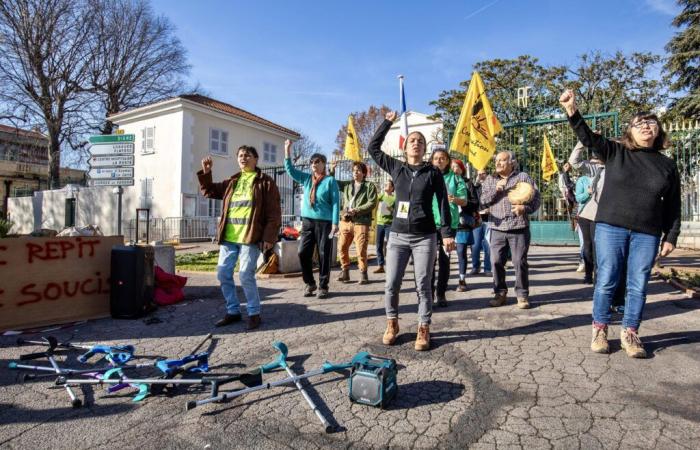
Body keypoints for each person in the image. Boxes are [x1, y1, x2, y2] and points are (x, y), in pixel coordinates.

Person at [560, 89, 681, 359]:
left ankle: (630, 332)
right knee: (607, 279)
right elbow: (587, 138)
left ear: (658, 130)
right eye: (639, 123)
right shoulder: (616, 152)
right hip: (611, 227)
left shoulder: (667, 165)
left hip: (647, 233)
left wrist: (671, 236)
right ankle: (600, 328)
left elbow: (673, 205)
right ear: (630, 132)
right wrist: (571, 109)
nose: (646, 126)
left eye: (651, 122)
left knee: (638, 283)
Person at [368, 111, 455, 351]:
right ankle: (392, 323)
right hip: (397, 237)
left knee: (423, 285)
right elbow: (373, 148)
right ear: (405, 148)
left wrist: (447, 233)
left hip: (425, 237)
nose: (416, 142)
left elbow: (443, 203)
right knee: (391, 283)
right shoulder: (396, 168)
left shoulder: (433, 173)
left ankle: (423, 327)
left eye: (420, 141)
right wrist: (387, 122)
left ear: (424, 149)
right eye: (412, 140)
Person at [197, 146, 281, 329]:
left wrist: (268, 237)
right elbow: (209, 191)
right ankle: (233, 311)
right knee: (223, 273)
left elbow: (274, 213)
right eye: (241, 156)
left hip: (250, 238)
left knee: (245, 275)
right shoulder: (232, 181)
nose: (243, 158)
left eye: (247, 155)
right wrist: (207, 172)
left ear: (256, 159)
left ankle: (254, 313)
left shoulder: (265, 182)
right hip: (229, 238)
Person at [480, 151, 541, 309]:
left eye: (502, 160)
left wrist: (525, 208)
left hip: (518, 227)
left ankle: (522, 295)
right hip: (497, 227)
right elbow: (483, 201)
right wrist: (496, 190)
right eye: (497, 160)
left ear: (512, 162)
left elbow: (537, 199)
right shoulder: (491, 179)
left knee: (519, 262)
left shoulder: (523, 177)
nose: (498, 163)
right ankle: (500, 293)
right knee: (495, 262)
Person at [570, 142, 627, 311]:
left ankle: (618, 300)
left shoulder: (628, 166)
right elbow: (574, 161)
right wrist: (582, 142)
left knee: (619, 261)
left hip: (620, 218)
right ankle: (602, 299)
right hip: (595, 217)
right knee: (599, 258)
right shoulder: (599, 168)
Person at [284, 140, 340, 299]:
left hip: (326, 224)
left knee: (324, 254)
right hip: (308, 222)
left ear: (323, 164)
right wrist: (287, 150)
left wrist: (335, 222)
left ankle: (323, 286)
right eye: (311, 162)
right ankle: (310, 283)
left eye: (317, 162)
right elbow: (290, 171)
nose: (314, 164)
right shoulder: (307, 179)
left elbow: (336, 202)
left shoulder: (330, 181)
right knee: (303, 252)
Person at [330, 160, 378, 284]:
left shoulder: (369, 186)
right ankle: (345, 272)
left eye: (358, 170)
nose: (355, 173)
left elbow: (372, 202)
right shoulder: (347, 185)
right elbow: (332, 183)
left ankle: (363, 274)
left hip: (361, 222)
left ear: (364, 173)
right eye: (354, 170)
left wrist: (357, 210)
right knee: (342, 247)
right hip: (345, 221)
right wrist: (332, 170)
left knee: (361, 249)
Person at [430, 149, 467, 306]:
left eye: (443, 158)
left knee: (444, 260)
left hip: (449, 225)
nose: (439, 161)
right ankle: (429, 294)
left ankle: (441, 293)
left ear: (447, 161)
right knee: (429, 261)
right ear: (432, 161)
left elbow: (464, 201)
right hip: (429, 224)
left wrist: (455, 199)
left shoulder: (456, 179)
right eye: (436, 158)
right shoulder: (427, 177)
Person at [451, 159, 474, 292]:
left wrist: (462, 202)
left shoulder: (467, 183)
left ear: (462, 169)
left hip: (462, 222)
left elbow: (474, 202)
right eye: (452, 167)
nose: (454, 169)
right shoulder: (446, 181)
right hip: (447, 222)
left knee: (461, 252)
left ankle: (462, 280)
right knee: (444, 254)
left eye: (457, 167)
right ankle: (442, 281)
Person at [470, 169, 492, 276]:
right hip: (477, 219)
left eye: (483, 173)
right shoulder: (475, 188)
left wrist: (490, 209)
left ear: (487, 174)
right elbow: (472, 201)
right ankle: (475, 267)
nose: (481, 176)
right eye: (479, 174)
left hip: (490, 219)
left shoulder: (492, 187)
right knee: (475, 245)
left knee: (488, 245)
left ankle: (487, 268)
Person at [374, 179, 395, 274]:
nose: (385, 185)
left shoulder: (395, 199)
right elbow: (373, 202)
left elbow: (397, 212)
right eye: (385, 184)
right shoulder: (381, 196)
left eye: (388, 184)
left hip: (389, 224)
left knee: (390, 246)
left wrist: (391, 209)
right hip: (379, 223)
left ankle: (392, 265)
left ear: (392, 188)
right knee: (378, 245)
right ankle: (380, 265)